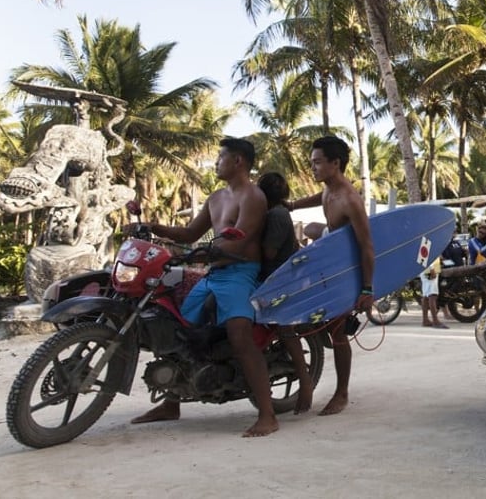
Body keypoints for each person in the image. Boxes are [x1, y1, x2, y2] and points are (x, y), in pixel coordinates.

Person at [129, 138, 278, 437]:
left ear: (238, 161)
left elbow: (241, 240)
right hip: (214, 273)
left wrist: (204, 253)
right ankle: (171, 403)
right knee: (175, 330)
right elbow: (189, 233)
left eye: (221, 157)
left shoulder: (253, 196)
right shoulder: (216, 198)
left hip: (240, 273)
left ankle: (268, 414)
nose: (216, 163)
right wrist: (153, 228)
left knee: (239, 334)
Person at [287, 136, 375, 416]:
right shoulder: (329, 189)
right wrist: (292, 206)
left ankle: (341, 393)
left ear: (335, 163)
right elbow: (320, 197)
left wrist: (367, 289)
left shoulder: (350, 199)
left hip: (345, 272)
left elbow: (367, 247)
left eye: (317, 162)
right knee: (312, 229)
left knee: (338, 334)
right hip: (328, 268)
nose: (312, 167)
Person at [258, 171, 313, 415]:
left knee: (285, 329)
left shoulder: (277, 215)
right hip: (275, 278)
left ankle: (305, 383)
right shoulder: (275, 213)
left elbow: (269, 252)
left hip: (278, 281)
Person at [419, 258, 448, 328]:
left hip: (424, 265)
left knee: (426, 296)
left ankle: (425, 320)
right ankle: (435, 321)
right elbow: (427, 253)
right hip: (429, 266)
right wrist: (431, 268)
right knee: (432, 295)